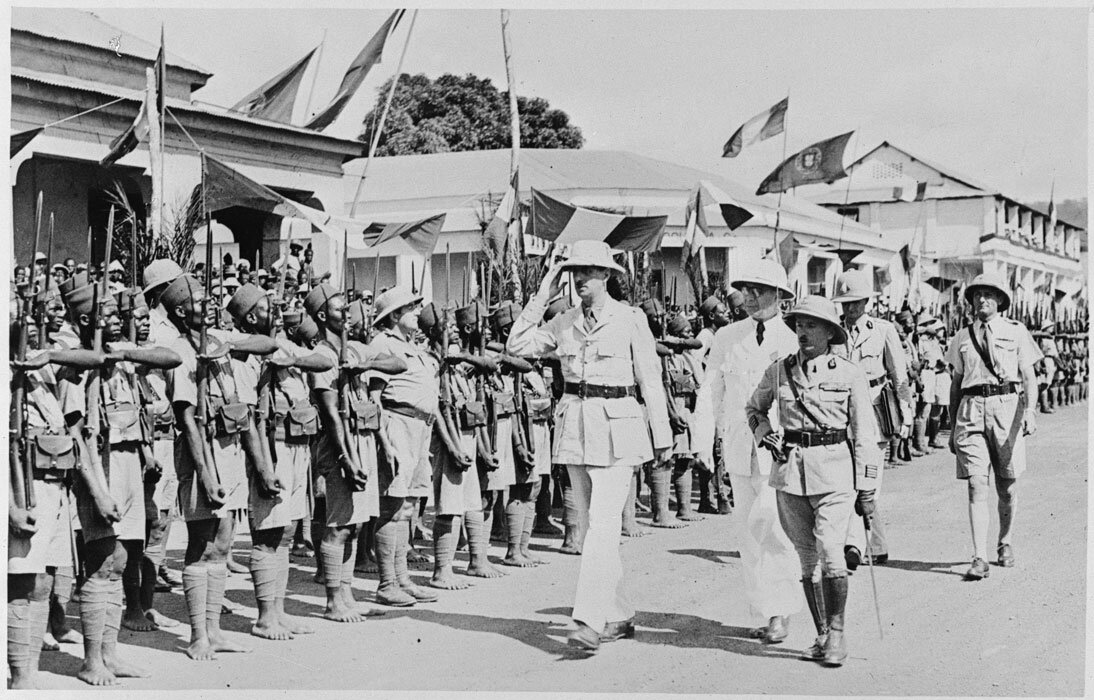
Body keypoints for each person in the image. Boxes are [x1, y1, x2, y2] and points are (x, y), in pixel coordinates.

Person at [507, 240, 671, 652]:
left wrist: (662, 434)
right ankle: (617, 613)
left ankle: (588, 620)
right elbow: (516, 346)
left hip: (619, 428)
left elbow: (650, 378)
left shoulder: (630, 319)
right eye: (573, 271)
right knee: (593, 526)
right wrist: (543, 289)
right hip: (577, 429)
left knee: (599, 527)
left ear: (607, 276)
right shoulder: (563, 322)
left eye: (588, 271)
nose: (579, 278)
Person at [745, 295, 881, 667]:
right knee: (808, 561)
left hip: (836, 472)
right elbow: (754, 408)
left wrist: (867, 486)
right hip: (790, 474)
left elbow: (865, 433)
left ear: (829, 332)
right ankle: (822, 634)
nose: (803, 332)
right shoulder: (779, 371)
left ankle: (837, 634)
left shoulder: (849, 373)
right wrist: (765, 433)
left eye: (812, 325)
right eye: (799, 325)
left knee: (832, 552)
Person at [60, 280, 182, 683]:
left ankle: (110, 655)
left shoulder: (124, 357)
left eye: (117, 313)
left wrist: (123, 352)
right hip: (101, 469)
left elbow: (170, 357)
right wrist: (96, 489)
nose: (117, 320)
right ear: (84, 320)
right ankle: (92, 660)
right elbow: (77, 438)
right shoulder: (77, 368)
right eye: (107, 314)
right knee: (100, 565)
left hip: (130, 465)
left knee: (120, 562)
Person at [160, 273, 275, 660]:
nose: (209, 305)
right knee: (201, 545)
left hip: (228, 450)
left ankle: (215, 629)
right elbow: (188, 419)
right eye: (199, 301)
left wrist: (227, 343)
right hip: (201, 455)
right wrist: (206, 477)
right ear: (180, 311)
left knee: (223, 544)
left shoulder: (218, 342)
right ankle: (197, 636)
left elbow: (266, 343)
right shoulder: (179, 350)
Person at [7, 300, 114, 688]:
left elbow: (94, 358)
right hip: (24, 489)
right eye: (24, 326)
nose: (34, 332)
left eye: (37, 326)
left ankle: (28, 673)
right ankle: (20, 679)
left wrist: (46, 354)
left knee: (43, 586)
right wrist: (10, 506)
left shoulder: (41, 372)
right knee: (23, 585)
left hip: (54, 486)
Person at [695, 258, 802, 644]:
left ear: (780, 295)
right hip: (740, 448)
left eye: (760, 290)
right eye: (748, 290)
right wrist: (703, 442)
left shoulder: (792, 339)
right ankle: (763, 608)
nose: (752, 298)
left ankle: (781, 610)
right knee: (747, 533)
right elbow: (711, 391)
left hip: (779, 450)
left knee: (772, 525)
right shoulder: (727, 337)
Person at [229, 283, 332, 638]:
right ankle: (264, 616)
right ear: (248, 318)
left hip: (297, 445)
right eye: (263, 307)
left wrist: (294, 358)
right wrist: (263, 466)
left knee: (286, 532)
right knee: (267, 533)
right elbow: (252, 416)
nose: (272, 311)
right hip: (271, 448)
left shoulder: (283, 346)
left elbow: (325, 359)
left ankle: (279, 610)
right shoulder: (248, 355)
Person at [306, 283, 406, 618]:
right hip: (340, 445)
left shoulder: (356, 351)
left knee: (356, 522)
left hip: (362, 438)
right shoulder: (322, 355)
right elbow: (331, 414)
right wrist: (346, 459)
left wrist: (363, 366)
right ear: (322, 316)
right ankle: (334, 599)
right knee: (339, 525)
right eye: (339, 310)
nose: (347, 316)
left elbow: (397, 364)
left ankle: (347, 594)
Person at [946, 273, 1040, 580]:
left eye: (988, 294)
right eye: (976, 295)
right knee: (976, 483)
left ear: (1000, 300)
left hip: (1006, 409)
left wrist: (1029, 411)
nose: (981, 299)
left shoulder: (1016, 331)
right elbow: (957, 383)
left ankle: (1005, 541)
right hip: (971, 411)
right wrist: (951, 426)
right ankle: (979, 556)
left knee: (1007, 486)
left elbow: (1028, 376)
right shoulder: (961, 337)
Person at [354, 286, 439, 607]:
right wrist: (385, 442)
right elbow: (374, 397)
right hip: (396, 424)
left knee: (406, 507)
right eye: (410, 308)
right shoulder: (383, 344)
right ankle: (387, 583)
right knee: (391, 506)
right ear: (393, 316)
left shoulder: (411, 346)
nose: (417, 312)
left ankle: (402, 578)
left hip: (419, 427)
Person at [831, 270, 910, 567]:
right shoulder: (833, 331)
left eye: (854, 303)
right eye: (845, 303)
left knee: (869, 482)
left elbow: (899, 376)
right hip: (841, 414)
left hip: (875, 411)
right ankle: (876, 546)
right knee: (849, 482)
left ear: (866, 301)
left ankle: (854, 544)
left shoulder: (883, 330)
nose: (849, 309)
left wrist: (906, 415)